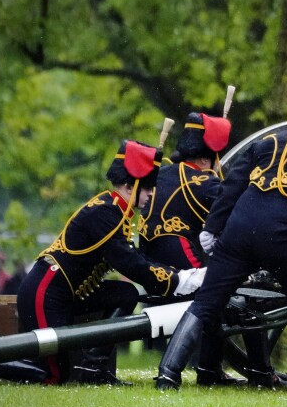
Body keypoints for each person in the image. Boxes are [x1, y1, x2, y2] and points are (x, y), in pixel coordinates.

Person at [155, 76, 287, 390]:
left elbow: (231, 188)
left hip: (236, 235)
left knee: (205, 304)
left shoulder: (266, 142)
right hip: (282, 238)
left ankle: (167, 376)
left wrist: (212, 229)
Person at [16, 140, 204, 385]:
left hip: (67, 294)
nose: (150, 195)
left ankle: (96, 368)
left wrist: (176, 274)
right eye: (147, 189)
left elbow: (135, 258)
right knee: (53, 375)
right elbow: (130, 263)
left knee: (125, 293)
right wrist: (177, 280)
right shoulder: (107, 213)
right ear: (129, 185)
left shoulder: (115, 211)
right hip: (45, 292)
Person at [142, 110, 242, 386]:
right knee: (233, 293)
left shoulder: (159, 175)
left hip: (149, 265)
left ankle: (211, 369)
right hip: (183, 262)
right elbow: (235, 216)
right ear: (204, 158)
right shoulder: (204, 182)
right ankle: (211, 370)